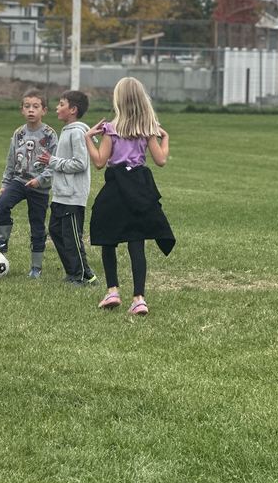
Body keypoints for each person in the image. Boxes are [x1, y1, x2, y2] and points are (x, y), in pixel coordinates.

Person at [85, 77, 175, 316]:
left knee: (108, 237)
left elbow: (99, 163)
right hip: (139, 186)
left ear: (118, 100)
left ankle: (112, 290)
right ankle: (139, 298)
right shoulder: (147, 130)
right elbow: (161, 160)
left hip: (116, 186)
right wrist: (164, 139)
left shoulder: (111, 130)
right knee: (137, 241)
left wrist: (88, 139)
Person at [0, 89, 58, 278]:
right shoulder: (18, 134)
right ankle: (2, 241)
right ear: (22, 110)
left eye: (35, 106)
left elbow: (54, 164)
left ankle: (36, 268)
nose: (31, 110)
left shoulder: (49, 135)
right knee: (2, 204)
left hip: (39, 187)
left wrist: (40, 180)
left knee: (37, 226)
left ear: (44, 110)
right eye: (27, 106)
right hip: (19, 181)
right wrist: (5, 183)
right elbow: (11, 161)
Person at [33, 90, 97, 287]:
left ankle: (77, 276)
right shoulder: (67, 130)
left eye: (61, 104)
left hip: (73, 196)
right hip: (61, 194)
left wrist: (53, 161)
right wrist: (46, 163)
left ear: (73, 109)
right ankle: (83, 272)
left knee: (71, 237)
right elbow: (61, 162)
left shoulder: (77, 132)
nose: (57, 108)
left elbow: (80, 164)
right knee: (56, 231)